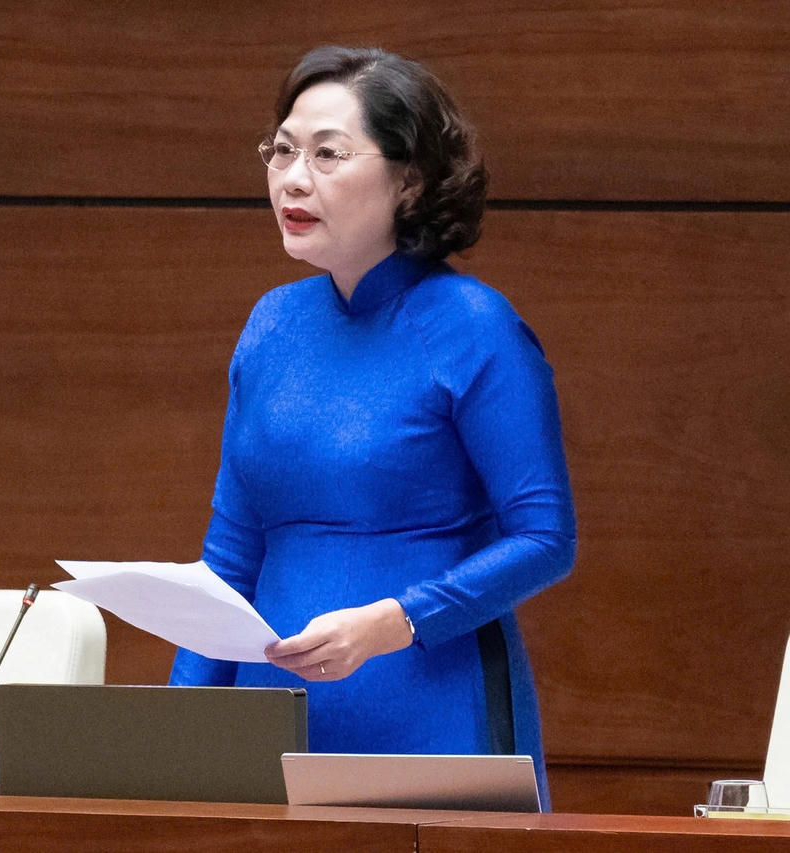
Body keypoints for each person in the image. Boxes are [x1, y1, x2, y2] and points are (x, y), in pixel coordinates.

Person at [168, 45, 577, 808]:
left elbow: (546, 537)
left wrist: (397, 621)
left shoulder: (474, 326)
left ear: (409, 179)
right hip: (269, 724)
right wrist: (173, 736)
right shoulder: (271, 325)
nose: (293, 178)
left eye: (328, 154)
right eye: (283, 150)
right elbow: (229, 557)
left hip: (433, 712)